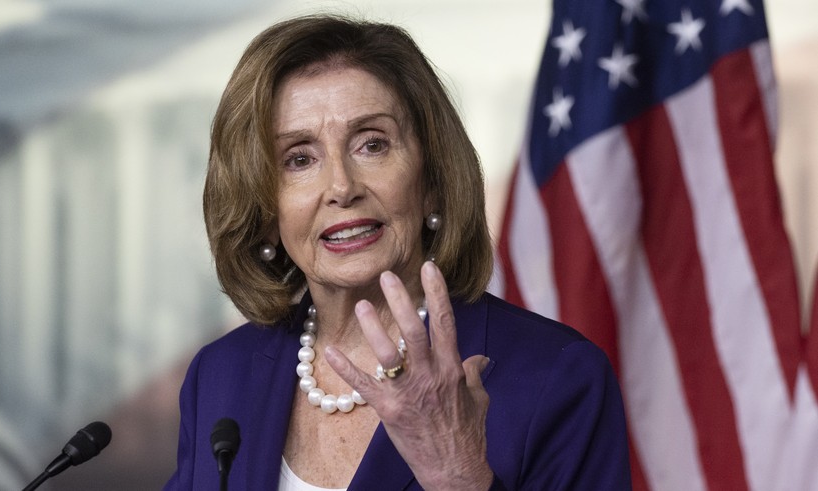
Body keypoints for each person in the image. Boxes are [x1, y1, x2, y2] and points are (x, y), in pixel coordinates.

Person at [165, 14, 631, 490]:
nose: (342, 187)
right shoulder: (220, 377)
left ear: (431, 182)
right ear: (265, 209)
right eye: (299, 159)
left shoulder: (558, 378)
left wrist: (457, 476)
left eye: (373, 145)